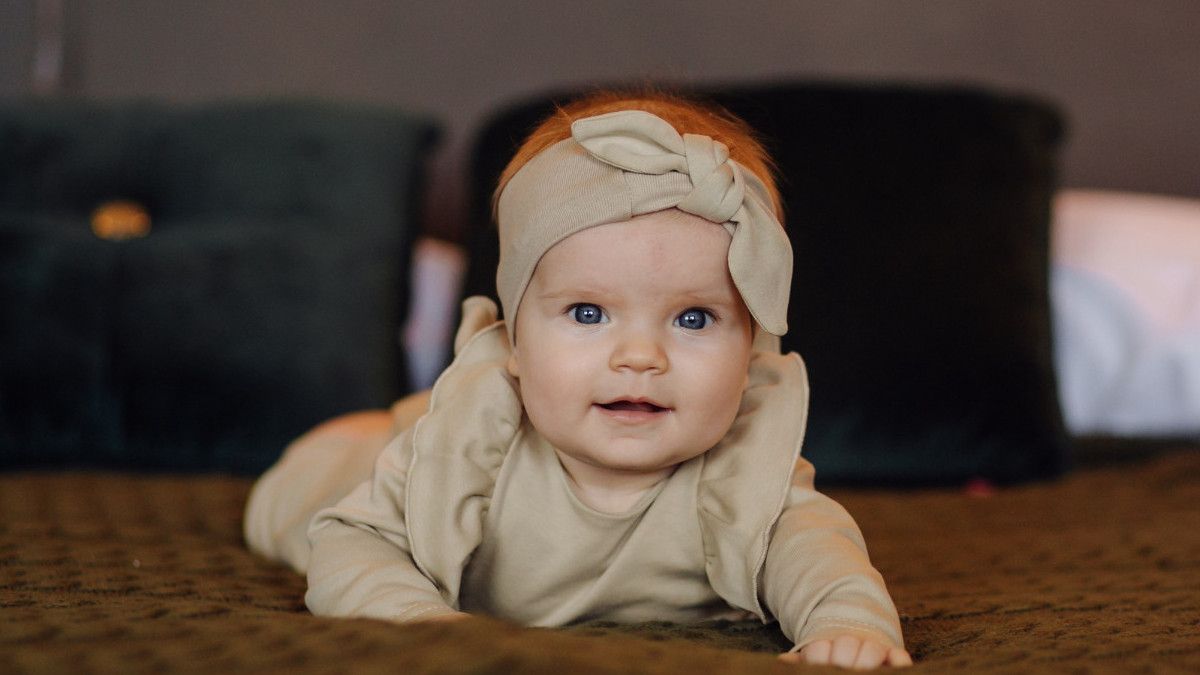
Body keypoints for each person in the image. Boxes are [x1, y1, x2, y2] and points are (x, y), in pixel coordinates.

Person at [244, 89, 912, 670]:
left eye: (694, 317)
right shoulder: (464, 453)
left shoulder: (748, 475)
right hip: (384, 456)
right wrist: (418, 621)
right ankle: (375, 425)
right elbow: (350, 540)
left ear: (753, 348)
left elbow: (824, 561)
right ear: (513, 338)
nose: (641, 356)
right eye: (588, 312)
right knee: (304, 494)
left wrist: (849, 625)